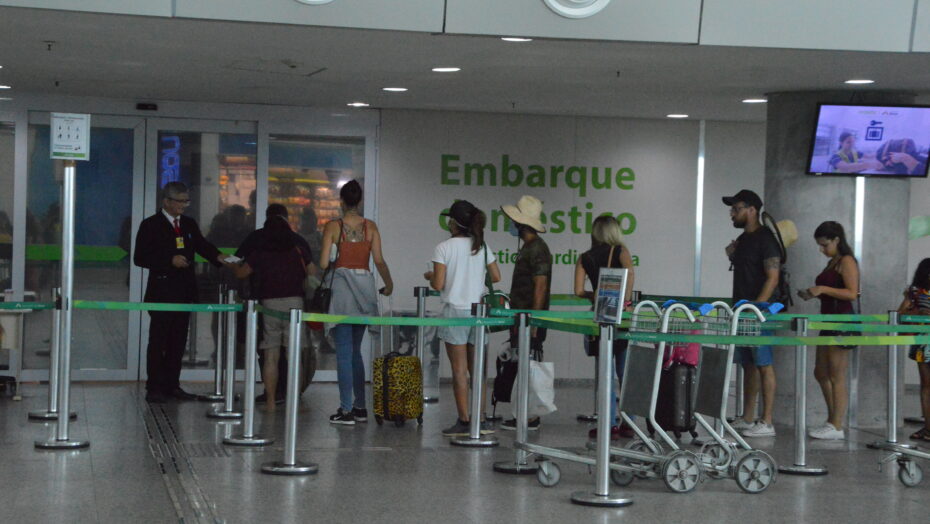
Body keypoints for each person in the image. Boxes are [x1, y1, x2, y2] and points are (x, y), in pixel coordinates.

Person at [134, 182, 228, 403]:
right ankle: (154, 386)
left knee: (178, 342)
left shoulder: (188, 224)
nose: (184, 205)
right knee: (159, 341)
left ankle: (172, 385)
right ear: (166, 201)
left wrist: (219, 257)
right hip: (162, 292)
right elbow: (140, 257)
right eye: (180, 201)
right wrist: (169, 260)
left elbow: (202, 246)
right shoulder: (151, 225)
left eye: (186, 201)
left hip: (184, 291)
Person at [319, 180, 393, 425]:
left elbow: (323, 263)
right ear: (359, 201)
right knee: (356, 352)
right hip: (364, 292)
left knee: (343, 352)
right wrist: (389, 283)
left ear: (341, 201)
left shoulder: (333, 226)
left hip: (341, 293)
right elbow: (379, 260)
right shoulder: (370, 227)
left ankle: (346, 410)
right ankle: (361, 407)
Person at [425, 200, 501, 437]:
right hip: (478, 312)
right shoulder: (482, 246)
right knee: (478, 370)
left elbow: (438, 283)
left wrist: (430, 275)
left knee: (459, 371)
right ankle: (481, 419)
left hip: (455, 312)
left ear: (454, 223)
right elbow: (496, 276)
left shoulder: (443, 248)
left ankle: (464, 420)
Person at [234, 205, 316, 410]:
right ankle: (293, 400)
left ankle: (270, 401)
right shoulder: (297, 247)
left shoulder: (260, 250)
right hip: (295, 305)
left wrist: (230, 264)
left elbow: (241, 272)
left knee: (271, 356)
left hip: (269, 305)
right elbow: (312, 272)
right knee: (293, 357)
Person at [723, 189, 780, 437]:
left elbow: (772, 277)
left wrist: (757, 307)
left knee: (764, 364)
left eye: (737, 209)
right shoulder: (743, 239)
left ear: (752, 210)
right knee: (748, 364)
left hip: (759, 312)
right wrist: (732, 255)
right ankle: (748, 417)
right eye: (732, 209)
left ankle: (766, 421)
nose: (732, 214)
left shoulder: (766, 239)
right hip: (743, 310)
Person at [575, 215, 636, 440]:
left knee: (605, 374)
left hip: (600, 316)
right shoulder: (620, 251)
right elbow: (630, 274)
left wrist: (595, 295)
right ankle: (629, 423)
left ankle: (609, 424)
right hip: (622, 317)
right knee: (625, 373)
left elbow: (578, 291)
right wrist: (624, 301)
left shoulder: (584, 257)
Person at [798, 221, 859, 440]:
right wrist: (814, 293)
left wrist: (822, 288)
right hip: (828, 320)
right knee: (821, 372)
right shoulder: (832, 262)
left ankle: (836, 424)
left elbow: (852, 293)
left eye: (825, 245)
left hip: (841, 322)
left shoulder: (847, 261)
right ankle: (832, 419)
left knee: (836, 374)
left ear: (836, 240)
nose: (822, 249)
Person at [499, 195, 551, 431]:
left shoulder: (537, 249)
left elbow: (540, 286)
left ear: (521, 224)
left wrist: (535, 321)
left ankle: (530, 417)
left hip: (529, 320)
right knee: (523, 366)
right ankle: (524, 414)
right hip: (521, 318)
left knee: (529, 368)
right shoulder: (529, 248)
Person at [899, 258, 930, 442]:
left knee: (927, 386)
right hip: (922, 343)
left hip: (922, 342)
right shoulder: (915, 292)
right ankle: (928, 427)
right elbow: (900, 314)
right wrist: (917, 312)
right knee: (926, 386)